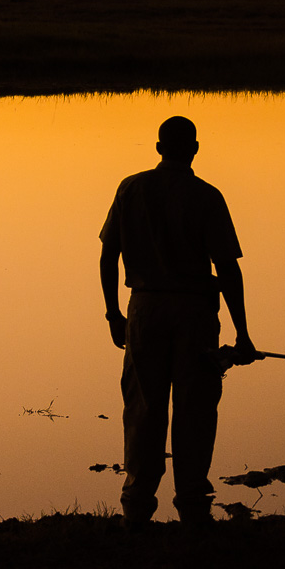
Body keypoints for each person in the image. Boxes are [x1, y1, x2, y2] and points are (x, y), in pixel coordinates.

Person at [100, 115, 260, 524]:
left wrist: (114, 313)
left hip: (144, 308)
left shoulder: (131, 188)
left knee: (143, 407)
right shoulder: (206, 196)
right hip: (193, 312)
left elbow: (108, 254)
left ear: (158, 148)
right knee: (196, 406)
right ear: (194, 149)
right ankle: (191, 499)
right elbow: (228, 269)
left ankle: (137, 503)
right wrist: (243, 333)